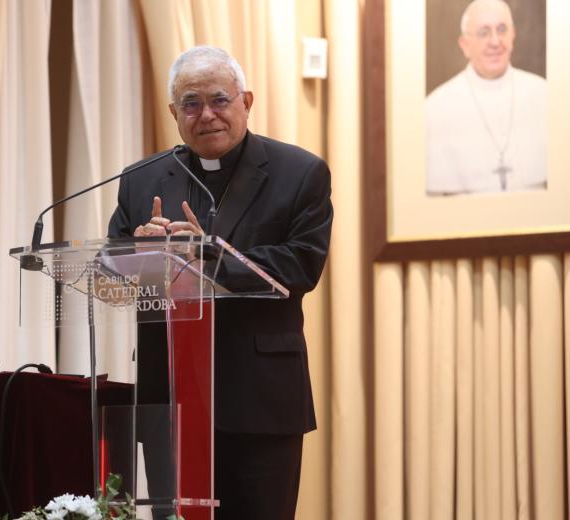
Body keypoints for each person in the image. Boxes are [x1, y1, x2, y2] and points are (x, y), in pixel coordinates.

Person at [108, 46, 332, 520]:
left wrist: (204, 257)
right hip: (170, 399)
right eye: (191, 103)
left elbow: (300, 265)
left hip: (260, 401)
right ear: (174, 113)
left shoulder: (299, 173)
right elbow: (111, 269)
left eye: (219, 100)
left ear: (245, 101)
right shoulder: (140, 179)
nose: (206, 114)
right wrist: (141, 252)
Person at [426, 0, 547, 195]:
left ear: (513, 35)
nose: (495, 42)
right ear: (465, 45)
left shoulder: (544, 95)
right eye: (483, 32)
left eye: (502, 30)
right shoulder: (435, 108)